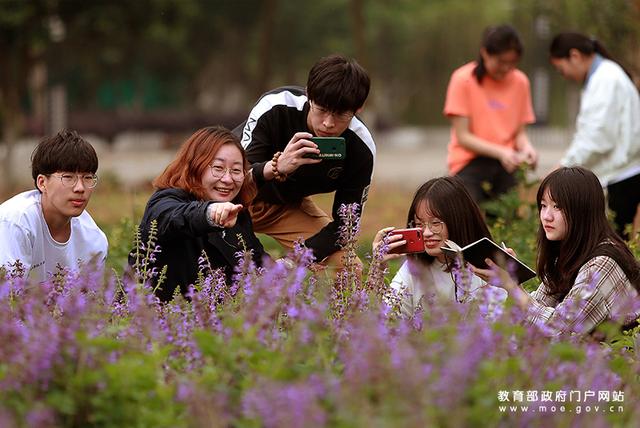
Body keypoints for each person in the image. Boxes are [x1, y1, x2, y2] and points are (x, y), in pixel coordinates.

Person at [234, 54, 374, 269]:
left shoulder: (361, 147)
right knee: (177, 227)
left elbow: (345, 226)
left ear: (358, 109)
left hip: (285, 207)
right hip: (231, 196)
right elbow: (235, 177)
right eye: (322, 110)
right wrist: (276, 167)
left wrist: (294, 261)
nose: (328, 123)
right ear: (309, 94)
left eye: (340, 115)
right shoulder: (276, 106)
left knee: (348, 268)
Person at [482, 167, 640, 336]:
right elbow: (534, 314)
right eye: (543, 205)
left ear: (582, 210)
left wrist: (512, 287)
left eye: (557, 207)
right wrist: (512, 278)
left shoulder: (603, 263)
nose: (546, 216)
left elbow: (559, 329)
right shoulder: (570, 251)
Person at [131, 126, 267, 302]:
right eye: (218, 168)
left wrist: (290, 264)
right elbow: (172, 217)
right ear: (196, 166)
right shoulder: (166, 199)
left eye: (235, 170)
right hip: (157, 321)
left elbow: (258, 263)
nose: (227, 179)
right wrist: (209, 213)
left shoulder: (237, 213)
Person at [372, 176, 507, 317]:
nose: (427, 233)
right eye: (419, 224)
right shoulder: (413, 269)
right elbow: (386, 320)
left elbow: (502, 324)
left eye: (436, 223)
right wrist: (378, 269)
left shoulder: (486, 266)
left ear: (459, 221)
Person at [549, 32, 640, 238]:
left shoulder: (606, 79)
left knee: (613, 246)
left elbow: (598, 136)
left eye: (561, 69)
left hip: (621, 176)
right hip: (621, 173)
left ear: (575, 56)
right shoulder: (603, 76)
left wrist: (564, 165)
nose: (564, 75)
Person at [444, 24, 537, 204]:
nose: (506, 68)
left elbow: (520, 133)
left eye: (512, 63)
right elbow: (463, 137)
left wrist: (527, 148)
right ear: (485, 53)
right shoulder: (463, 79)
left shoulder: (521, 82)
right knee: (467, 222)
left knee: (506, 222)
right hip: (468, 165)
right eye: (501, 62)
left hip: (507, 164)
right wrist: (501, 152)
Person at [0, 130, 107, 281]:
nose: (80, 188)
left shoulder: (94, 240)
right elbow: (8, 296)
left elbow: (91, 302)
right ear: (42, 183)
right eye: (68, 177)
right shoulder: (15, 222)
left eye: (88, 177)